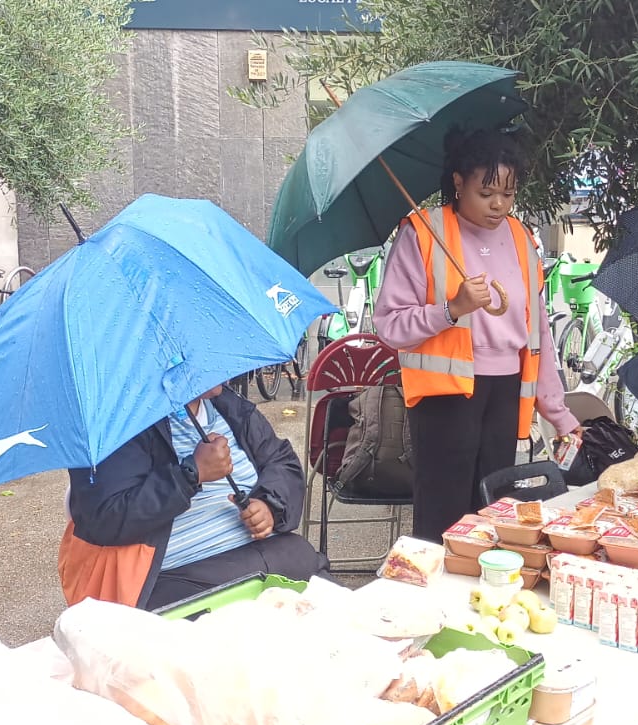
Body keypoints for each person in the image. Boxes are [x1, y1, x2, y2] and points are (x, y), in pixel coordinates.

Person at [373, 128, 579, 540]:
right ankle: (434, 599)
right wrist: (451, 309)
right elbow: (390, 325)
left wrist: (559, 413)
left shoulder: (522, 238)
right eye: (486, 193)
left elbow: (537, 333)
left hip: (505, 394)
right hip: (445, 397)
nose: (498, 205)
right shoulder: (423, 233)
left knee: (494, 512)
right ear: (457, 182)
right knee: (443, 517)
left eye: (508, 192)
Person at [58, 382, 325, 610]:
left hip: (281, 558)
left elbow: (281, 461)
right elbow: (105, 517)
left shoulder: (230, 406)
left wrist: (270, 505)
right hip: (188, 580)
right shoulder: (121, 422)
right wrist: (190, 474)